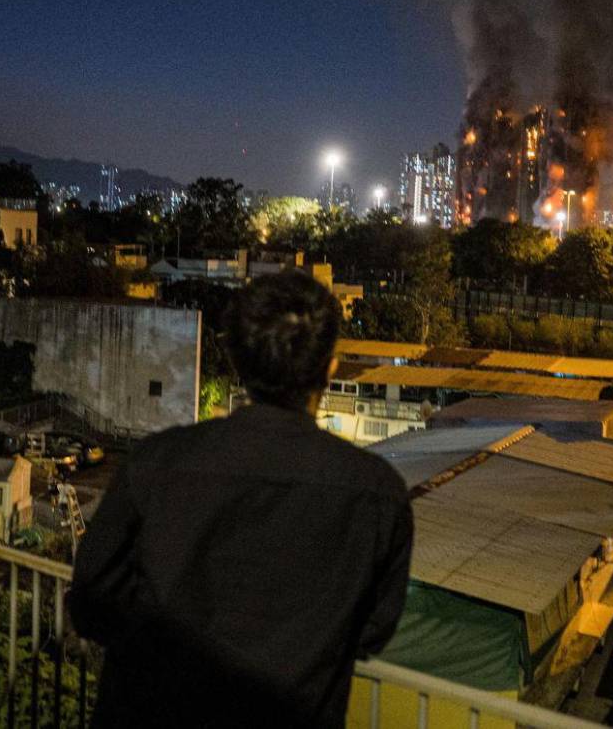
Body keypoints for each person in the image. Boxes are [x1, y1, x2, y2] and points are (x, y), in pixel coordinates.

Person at [69, 271, 413, 727]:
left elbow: (93, 599)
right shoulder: (378, 492)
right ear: (330, 366)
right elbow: (371, 631)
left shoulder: (156, 463)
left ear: (235, 359)